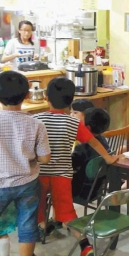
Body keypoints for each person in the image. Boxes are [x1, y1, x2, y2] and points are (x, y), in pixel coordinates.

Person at [33, 77, 118, 256]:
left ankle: (41, 228)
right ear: (71, 101)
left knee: (37, 208)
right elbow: (93, 142)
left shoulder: (36, 120)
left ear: (46, 97)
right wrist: (109, 158)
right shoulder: (73, 123)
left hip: (39, 174)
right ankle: (85, 245)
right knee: (68, 213)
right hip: (62, 176)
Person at [0, 71, 51, 256]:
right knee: (27, 225)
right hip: (27, 183)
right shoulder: (36, 124)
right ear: (28, 95)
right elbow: (45, 158)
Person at [72, 107, 111, 199]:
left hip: (81, 191)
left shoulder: (82, 148)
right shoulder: (103, 141)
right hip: (97, 189)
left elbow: (69, 165)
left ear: (87, 127)